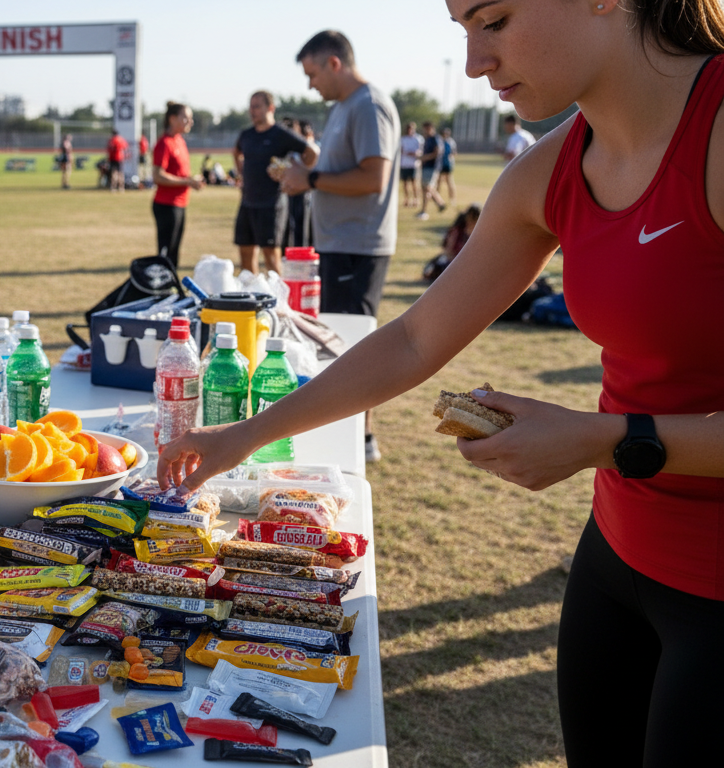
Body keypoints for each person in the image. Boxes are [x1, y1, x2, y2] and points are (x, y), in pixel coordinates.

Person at [162, 3, 724, 764]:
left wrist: (601, 439)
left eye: (493, 19)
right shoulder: (550, 166)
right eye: (462, 28)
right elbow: (417, 336)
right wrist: (241, 436)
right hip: (618, 557)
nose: (473, 62)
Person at [273, 30, 401, 464]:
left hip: (357, 247)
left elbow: (373, 178)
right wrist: (304, 172)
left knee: (351, 348)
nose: (311, 85)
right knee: (338, 346)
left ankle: (360, 440)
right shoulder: (347, 106)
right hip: (340, 244)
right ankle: (351, 434)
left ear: (334, 63)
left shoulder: (368, 105)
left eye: (312, 73)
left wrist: (309, 180)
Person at [231, 90, 318, 275]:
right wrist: (242, 174)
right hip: (247, 202)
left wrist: (299, 175)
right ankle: (251, 298)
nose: (252, 111)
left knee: (271, 259)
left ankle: (278, 301)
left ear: (270, 108)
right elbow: (236, 152)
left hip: (271, 204)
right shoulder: (247, 134)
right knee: (245, 256)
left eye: (257, 106)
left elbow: (311, 152)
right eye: (251, 106)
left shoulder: (280, 134)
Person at [152, 101, 204, 268]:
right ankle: (164, 287)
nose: (190, 122)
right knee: (166, 252)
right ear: (172, 119)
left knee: (175, 251)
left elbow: (179, 173)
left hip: (180, 203)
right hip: (166, 204)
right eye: (186, 118)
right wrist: (188, 181)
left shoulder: (179, 141)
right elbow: (158, 176)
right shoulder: (164, 143)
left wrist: (192, 180)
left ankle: (172, 285)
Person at [422, 204, 481, 281]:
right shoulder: (457, 231)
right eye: (471, 217)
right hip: (453, 262)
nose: (472, 221)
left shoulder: (479, 234)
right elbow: (448, 251)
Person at [285, 120, 320, 248]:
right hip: (293, 191)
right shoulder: (295, 149)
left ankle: (303, 251)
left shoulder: (311, 148)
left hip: (305, 192)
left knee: (303, 226)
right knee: (293, 225)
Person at [416, 121, 448, 219]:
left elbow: (437, 152)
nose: (425, 131)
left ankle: (424, 211)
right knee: (426, 188)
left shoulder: (435, 138)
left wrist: (424, 158)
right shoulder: (427, 139)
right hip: (425, 166)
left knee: (427, 188)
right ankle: (440, 203)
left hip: (432, 167)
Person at [399, 121, 422, 207]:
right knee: (405, 183)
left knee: (414, 183)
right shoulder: (403, 139)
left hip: (414, 164)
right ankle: (406, 199)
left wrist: (415, 153)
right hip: (404, 164)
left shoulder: (418, 139)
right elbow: (401, 150)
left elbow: (421, 151)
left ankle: (415, 199)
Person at [436, 125, 458, 206]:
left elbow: (454, 153)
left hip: (447, 164)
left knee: (449, 182)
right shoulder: (439, 140)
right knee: (438, 182)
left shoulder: (451, 142)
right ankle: (437, 199)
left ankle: (452, 199)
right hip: (439, 165)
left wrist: (450, 157)